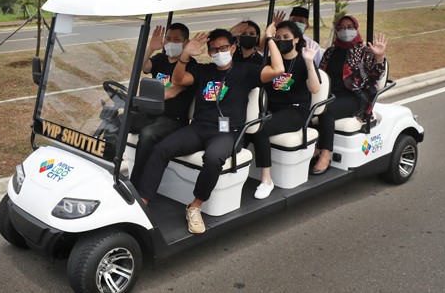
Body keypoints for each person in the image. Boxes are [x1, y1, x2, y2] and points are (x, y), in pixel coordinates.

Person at [136, 25, 284, 234]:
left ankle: (195, 206)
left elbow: (278, 70)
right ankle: (143, 199)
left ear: (233, 48)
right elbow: (178, 79)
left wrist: (269, 38)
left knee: (214, 157)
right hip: (198, 128)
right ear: (209, 52)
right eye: (214, 50)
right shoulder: (204, 70)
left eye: (223, 48)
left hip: (228, 132)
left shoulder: (245, 71)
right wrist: (185, 55)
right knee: (162, 148)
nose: (219, 53)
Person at [247, 21, 321, 199]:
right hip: (271, 109)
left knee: (260, 129)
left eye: (286, 37)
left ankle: (266, 180)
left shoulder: (304, 61)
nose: (282, 41)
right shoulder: (273, 62)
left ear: (296, 39)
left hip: (295, 111)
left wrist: (310, 63)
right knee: (246, 123)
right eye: (277, 38)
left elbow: (315, 89)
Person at [313, 15, 387, 174]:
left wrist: (379, 57)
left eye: (349, 27)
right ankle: (314, 146)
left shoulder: (364, 52)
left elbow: (376, 77)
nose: (345, 31)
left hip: (356, 97)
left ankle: (325, 152)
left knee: (326, 110)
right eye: (341, 28)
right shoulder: (331, 52)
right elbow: (321, 76)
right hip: (331, 95)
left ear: (356, 28)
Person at [128, 23, 197, 187]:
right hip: (151, 112)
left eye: (177, 39)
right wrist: (151, 48)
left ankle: (135, 185)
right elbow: (139, 67)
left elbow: (171, 92)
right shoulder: (159, 59)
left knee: (147, 135)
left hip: (173, 119)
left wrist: (143, 96)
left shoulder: (191, 66)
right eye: (168, 38)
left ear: (186, 42)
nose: (171, 42)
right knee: (119, 122)